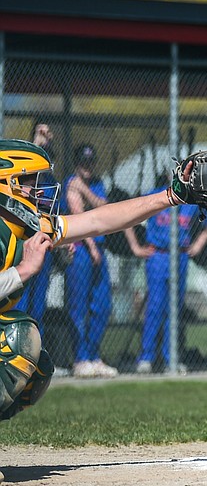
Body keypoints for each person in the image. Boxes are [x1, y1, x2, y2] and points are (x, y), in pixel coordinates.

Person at [1, 138, 207, 424]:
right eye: (29, 182)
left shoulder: (29, 227)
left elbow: (99, 220)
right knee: (19, 338)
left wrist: (170, 195)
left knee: (38, 366)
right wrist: (23, 271)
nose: (38, 190)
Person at [129, 172, 207, 374]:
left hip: (180, 256)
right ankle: (147, 357)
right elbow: (129, 216)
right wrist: (136, 247)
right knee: (155, 307)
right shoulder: (155, 195)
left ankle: (172, 358)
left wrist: (198, 244)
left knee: (174, 309)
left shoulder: (191, 199)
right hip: (158, 256)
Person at [64, 143, 118, 378]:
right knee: (79, 306)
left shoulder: (94, 184)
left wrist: (85, 191)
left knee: (103, 305)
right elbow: (80, 216)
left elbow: (103, 208)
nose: (87, 167)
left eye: (90, 162)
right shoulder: (70, 183)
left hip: (99, 250)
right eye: (83, 163)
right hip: (81, 250)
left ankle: (93, 355)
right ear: (77, 164)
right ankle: (80, 358)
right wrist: (92, 247)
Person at [14, 123, 57, 322]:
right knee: (19, 299)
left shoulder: (49, 179)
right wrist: (37, 140)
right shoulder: (25, 172)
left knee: (38, 307)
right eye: (41, 133)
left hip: (44, 242)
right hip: (24, 242)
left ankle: (35, 348)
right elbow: (26, 165)